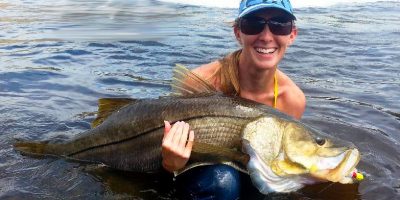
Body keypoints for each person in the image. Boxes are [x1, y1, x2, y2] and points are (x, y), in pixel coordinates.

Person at [162, 0, 306, 199]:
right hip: (204, 177)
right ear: (238, 33)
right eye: (253, 24)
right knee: (223, 182)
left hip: (246, 173)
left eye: (280, 24)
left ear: (292, 34)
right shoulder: (202, 81)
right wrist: (170, 163)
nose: (266, 37)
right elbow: (161, 150)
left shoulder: (292, 100)